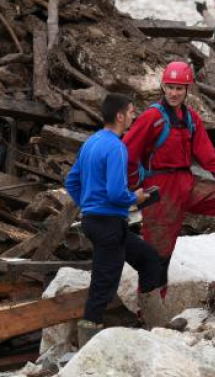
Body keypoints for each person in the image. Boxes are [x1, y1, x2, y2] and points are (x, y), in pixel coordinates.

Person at [123, 61, 215, 291]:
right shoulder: (152, 117)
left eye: (179, 88)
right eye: (170, 87)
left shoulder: (191, 119)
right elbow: (126, 153)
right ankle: (150, 312)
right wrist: (135, 186)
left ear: (187, 90)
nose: (174, 93)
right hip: (159, 189)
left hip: (187, 183)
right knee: (157, 257)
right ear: (163, 87)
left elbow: (207, 155)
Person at [65, 93, 164, 347]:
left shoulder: (91, 142)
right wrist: (137, 198)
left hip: (100, 222)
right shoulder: (117, 147)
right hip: (108, 224)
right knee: (103, 285)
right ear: (120, 116)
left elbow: (71, 182)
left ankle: (154, 325)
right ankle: (87, 348)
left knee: (148, 258)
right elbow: (117, 193)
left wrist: (89, 204)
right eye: (131, 112)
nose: (134, 116)